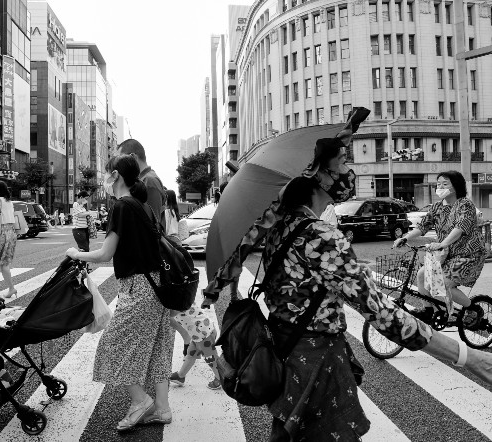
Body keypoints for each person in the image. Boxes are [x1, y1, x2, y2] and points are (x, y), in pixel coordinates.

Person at [204, 138, 492, 441]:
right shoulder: (321, 235)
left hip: (289, 356)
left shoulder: (282, 227)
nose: (348, 171)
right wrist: (468, 358)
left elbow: (301, 284)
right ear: (316, 173)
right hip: (317, 365)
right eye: (342, 162)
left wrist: (348, 276)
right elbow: (385, 316)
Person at [66, 154, 174, 431]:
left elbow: (105, 254)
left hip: (139, 288)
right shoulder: (144, 206)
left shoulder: (122, 206)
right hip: (159, 286)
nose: (103, 179)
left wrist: (75, 253)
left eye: (105, 174)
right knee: (159, 349)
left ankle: (142, 402)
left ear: (114, 175)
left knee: (112, 345)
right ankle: (162, 410)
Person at [394, 170, 487, 324]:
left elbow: (460, 227)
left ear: (456, 186)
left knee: (444, 283)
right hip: (446, 254)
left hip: (469, 255)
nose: (440, 187)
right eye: (438, 184)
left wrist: (443, 243)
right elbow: (423, 226)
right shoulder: (437, 206)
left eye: (445, 184)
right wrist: (404, 238)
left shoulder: (465, 204)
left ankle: (474, 308)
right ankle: (428, 310)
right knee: (422, 275)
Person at [117, 139, 167, 229]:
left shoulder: (149, 181)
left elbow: (151, 225)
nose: (118, 165)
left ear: (132, 157)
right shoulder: (142, 180)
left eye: (121, 159)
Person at [169, 304, 221, 390]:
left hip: (203, 334)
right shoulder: (183, 295)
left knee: (211, 358)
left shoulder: (179, 301)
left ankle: (220, 378)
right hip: (199, 333)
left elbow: (171, 313)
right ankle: (180, 376)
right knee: (191, 355)